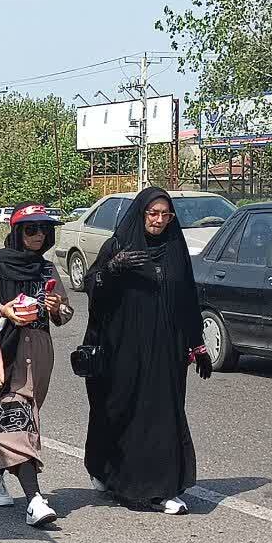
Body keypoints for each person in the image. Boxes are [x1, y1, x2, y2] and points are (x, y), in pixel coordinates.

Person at [82, 187, 211, 516]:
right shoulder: (118, 245)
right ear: (141, 214)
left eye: (165, 214)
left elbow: (186, 300)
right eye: (152, 213)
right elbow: (92, 286)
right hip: (123, 349)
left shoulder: (174, 249)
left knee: (164, 414)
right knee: (122, 411)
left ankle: (163, 488)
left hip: (167, 350)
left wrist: (197, 343)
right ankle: (109, 471)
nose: (158, 220)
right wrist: (113, 269)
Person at [0, 204, 73, 527]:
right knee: (18, 420)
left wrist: (57, 306)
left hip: (38, 350)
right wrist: (3, 310)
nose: (38, 236)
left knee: (20, 418)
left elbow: (65, 313)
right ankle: (34, 499)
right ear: (16, 232)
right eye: (30, 229)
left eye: (43, 230)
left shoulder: (46, 270)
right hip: (2, 350)